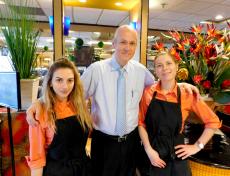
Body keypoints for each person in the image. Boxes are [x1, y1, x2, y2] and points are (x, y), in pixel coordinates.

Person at [26, 25, 199, 176]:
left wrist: (180, 83)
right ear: (114, 44)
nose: (127, 47)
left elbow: (159, 86)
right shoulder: (97, 70)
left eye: (132, 43)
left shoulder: (141, 71)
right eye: (123, 42)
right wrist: (39, 102)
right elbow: (70, 92)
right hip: (104, 143)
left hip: (131, 141)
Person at [138, 51, 221, 176]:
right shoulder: (148, 92)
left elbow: (213, 122)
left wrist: (197, 146)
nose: (164, 68)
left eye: (168, 63)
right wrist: (148, 150)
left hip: (177, 154)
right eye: (159, 65)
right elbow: (141, 123)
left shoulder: (187, 93)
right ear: (155, 70)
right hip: (152, 153)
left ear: (177, 67)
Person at [26, 58, 92, 176]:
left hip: (84, 169)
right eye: (59, 80)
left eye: (70, 80)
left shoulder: (80, 105)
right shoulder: (40, 112)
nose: (65, 86)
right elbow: (37, 158)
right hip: (58, 172)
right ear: (50, 82)